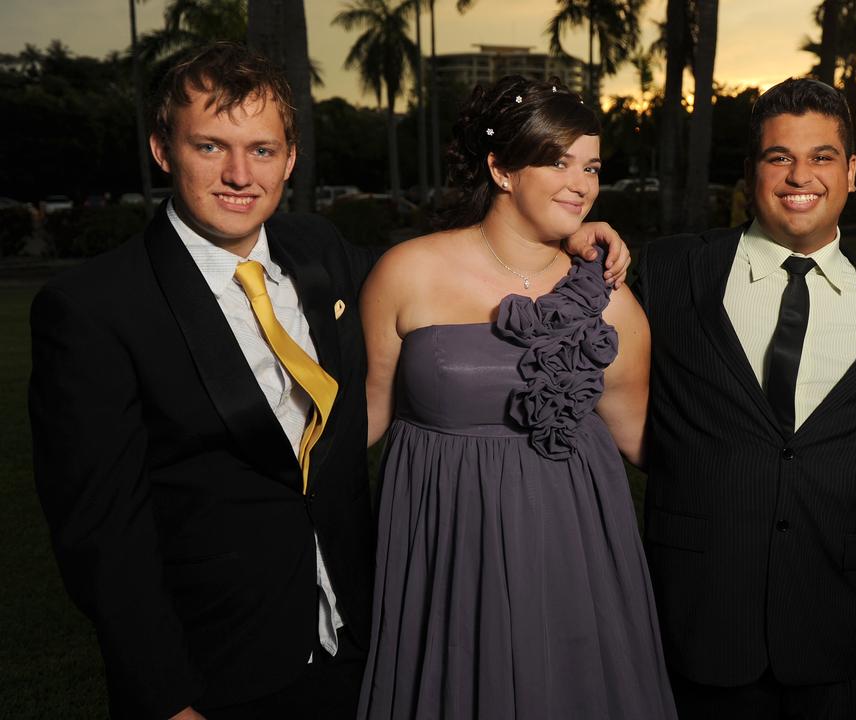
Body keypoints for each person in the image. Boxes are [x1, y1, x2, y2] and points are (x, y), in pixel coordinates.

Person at [29, 44, 629, 720]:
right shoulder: (94, 306)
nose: (238, 174)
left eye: (261, 150)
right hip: (216, 669)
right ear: (164, 150)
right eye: (209, 146)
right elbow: (103, 538)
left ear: (289, 159)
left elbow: (453, 277)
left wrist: (563, 235)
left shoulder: (319, 253)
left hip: (362, 644)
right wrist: (167, 698)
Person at [357, 75, 676, 719]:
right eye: (558, 162)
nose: (582, 182)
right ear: (501, 169)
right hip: (445, 538)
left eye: (590, 166)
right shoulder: (407, 271)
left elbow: (641, 434)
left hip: (574, 541)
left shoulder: (608, 294)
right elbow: (364, 416)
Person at [634, 78, 856, 719]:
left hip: (835, 621)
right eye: (778, 157)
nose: (801, 175)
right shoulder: (667, 272)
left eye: (821, 157)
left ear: (850, 172)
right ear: (751, 172)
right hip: (701, 612)